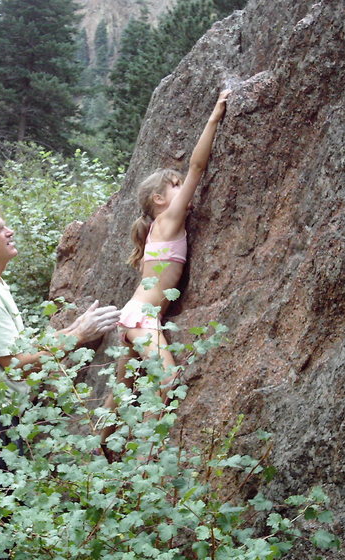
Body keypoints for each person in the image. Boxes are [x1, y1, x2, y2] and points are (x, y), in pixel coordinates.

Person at [0, 201, 121, 476]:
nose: (10, 231)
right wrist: (78, 336)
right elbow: (15, 364)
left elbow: (16, 349)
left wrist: (71, 330)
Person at [100, 89, 230, 454]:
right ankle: (147, 457)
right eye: (174, 188)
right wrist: (214, 117)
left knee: (119, 394)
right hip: (142, 319)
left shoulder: (157, 229)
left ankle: (99, 451)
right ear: (159, 200)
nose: (181, 189)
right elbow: (197, 168)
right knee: (169, 380)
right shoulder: (168, 220)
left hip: (136, 316)